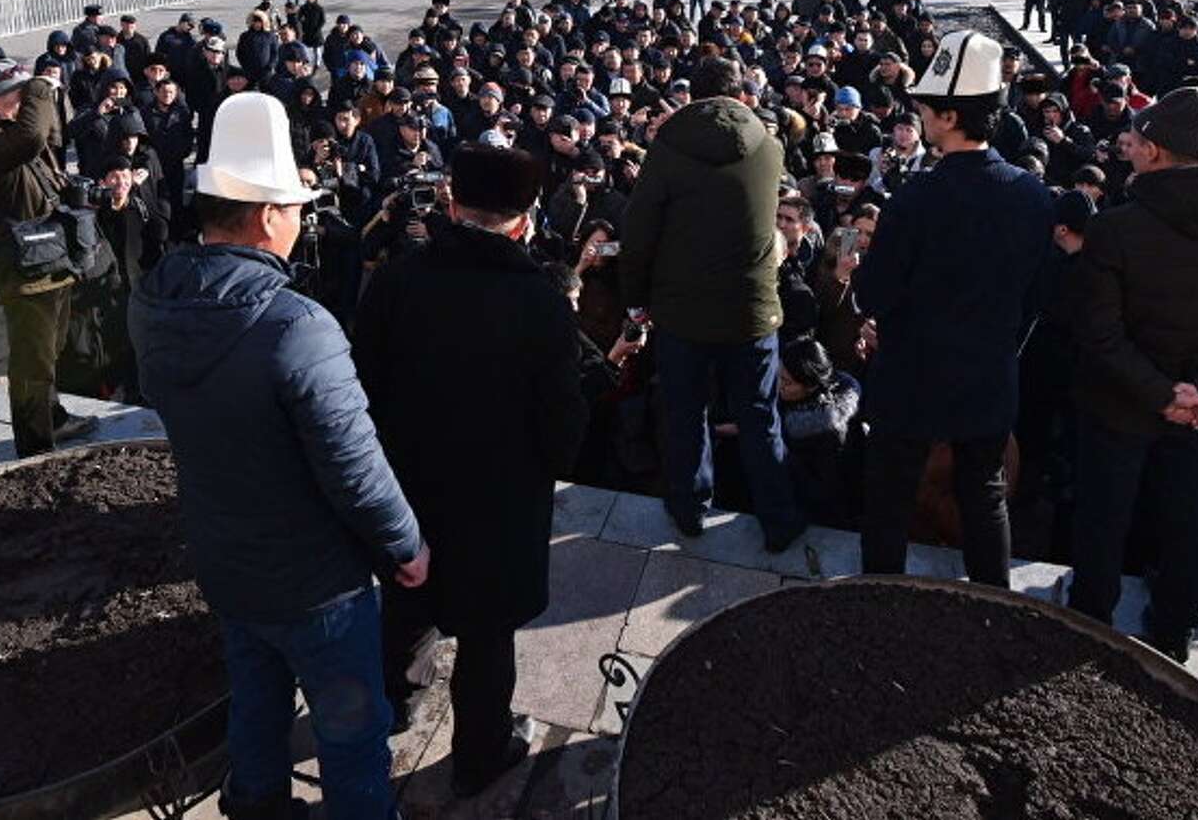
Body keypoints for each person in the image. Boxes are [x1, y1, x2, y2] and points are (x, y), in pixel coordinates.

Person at [132, 93, 427, 820]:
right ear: (267, 214)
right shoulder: (296, 327)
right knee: (352, 731)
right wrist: (406, 544)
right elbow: (354, 467)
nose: (301, 222)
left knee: (255, 695)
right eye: (296, 207)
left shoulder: (154, 300)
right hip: (316, 580)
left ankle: (257, 804)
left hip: (225, 555)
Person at [356, 145, 587, 798]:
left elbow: (362, 386)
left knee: (405, 600)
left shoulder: (399, 279)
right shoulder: (541, 300)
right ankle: (482, 751)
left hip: (408, 488)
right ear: (523, 220)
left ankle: (392, 704)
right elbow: (562, 423)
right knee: (488, 635)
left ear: (452, 205)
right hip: (501, 503)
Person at [1067, 87, 1198, 661]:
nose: (1128, 149)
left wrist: (1160, 393)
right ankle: (1175, 624)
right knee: (1185, 511)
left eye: (1135, 142)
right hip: (1197, 410)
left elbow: (1099, 333)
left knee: (1104, 516)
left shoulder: (1116, 229)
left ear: (1156, 153)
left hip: (1118, 402)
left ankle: (1089, 621)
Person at [855, 30, 1055, 585]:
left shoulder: (916, 197)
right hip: (988, 373)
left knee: (892, 497)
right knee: (985, 496)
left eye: (924, 106)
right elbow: (1039, 295)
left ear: (946, 117)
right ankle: (992, 603)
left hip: (912, 374)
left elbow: (874, 294)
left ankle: (879, 598)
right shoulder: (1033, 194)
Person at [621, 56, 805, 549]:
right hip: (752, 310)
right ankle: (779, 520)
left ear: (691, 96)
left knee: (686, 415)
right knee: (760, 416)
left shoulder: (666, 148)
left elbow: (638, 232)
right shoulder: (769, 146)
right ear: (742, 94)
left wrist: (636, 301)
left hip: (682, 312)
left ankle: (690, 509)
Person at [0, 60, 95, 457]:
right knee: (32, 361)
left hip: (47, 257)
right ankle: (34, 448)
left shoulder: (2, 128)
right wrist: (42, 90)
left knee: (51, 348)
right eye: (19, 94)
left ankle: (53, 418)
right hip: (22, 267)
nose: (25, 100)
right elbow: (31, 137)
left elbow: (46, 135)